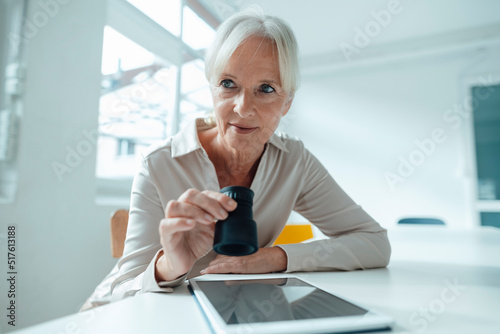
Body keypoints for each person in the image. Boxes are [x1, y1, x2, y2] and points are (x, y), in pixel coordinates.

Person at [81, 7, 391, 310]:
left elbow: (375, 243)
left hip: (234, 314)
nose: (243, 108)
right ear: (212, 88)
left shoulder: (294, 162)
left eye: (266, 89)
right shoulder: (160, 163)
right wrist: (169, 265)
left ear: (286, 104)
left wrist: (273, 258)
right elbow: (121, 293)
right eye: (229, 84)